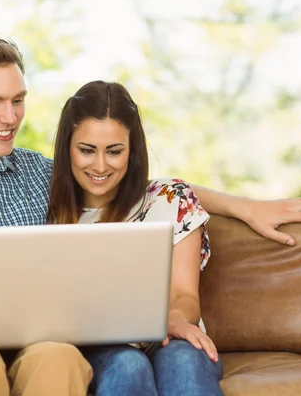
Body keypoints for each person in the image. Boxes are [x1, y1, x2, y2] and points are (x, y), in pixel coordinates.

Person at [0, 30, 301, 396]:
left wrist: (244, 206)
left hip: (36, 340)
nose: (10, 117)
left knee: (59, 359)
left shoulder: (37, 173)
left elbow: (138, 183)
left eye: (18, 101)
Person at [48, 80, 222, 395]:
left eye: (114, 151)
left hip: (172, 338)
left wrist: (175, 319)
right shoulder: (49, 212)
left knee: (184, 360)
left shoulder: (171, 199)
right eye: (87, 150)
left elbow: (185, 295)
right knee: (128, 364)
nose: (100, 165)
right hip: (100, 348)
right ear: (67, 148)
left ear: (132, 149)